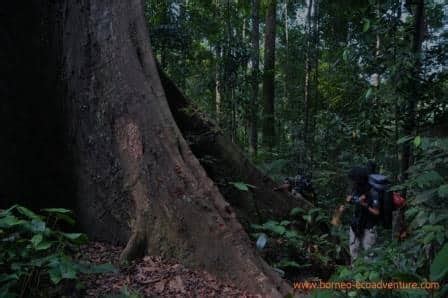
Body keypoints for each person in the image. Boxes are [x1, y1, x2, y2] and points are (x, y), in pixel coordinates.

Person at [344, 166, 380, 263]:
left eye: (354, 180)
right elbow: (352, 199)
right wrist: (350, 200)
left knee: (369, 255)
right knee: (353, 251)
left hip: (369, 226)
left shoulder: (373, 191)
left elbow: (377, 212)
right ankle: (354, 274)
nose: (353, 182)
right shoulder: (356, 188)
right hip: (356, 223)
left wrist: (365, 205)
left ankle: (369, 277)